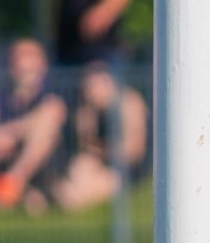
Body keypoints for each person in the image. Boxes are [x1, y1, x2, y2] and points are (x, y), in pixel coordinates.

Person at [0, 38, 66, 209]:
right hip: (1, 153)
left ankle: (11, 185)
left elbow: (52, 115)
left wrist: (7, 133)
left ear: (42, 64)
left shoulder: (52, 94)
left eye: (30, 55)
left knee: (45, 128)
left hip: (46, 167)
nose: (23, 61)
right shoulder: (2, 96)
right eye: (19, 56)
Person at [52, 62, 147, 212]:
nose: (88, 93)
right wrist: (87, 119)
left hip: (126, 169)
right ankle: (66, 194)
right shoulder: (88, 108)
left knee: (74, 195)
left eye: (92, 87)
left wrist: (103, 151)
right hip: (99, 161)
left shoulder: (129, 104)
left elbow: (133, 152)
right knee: (80, 167)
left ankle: (70, 198)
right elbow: (85, 146)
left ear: (108, 83)